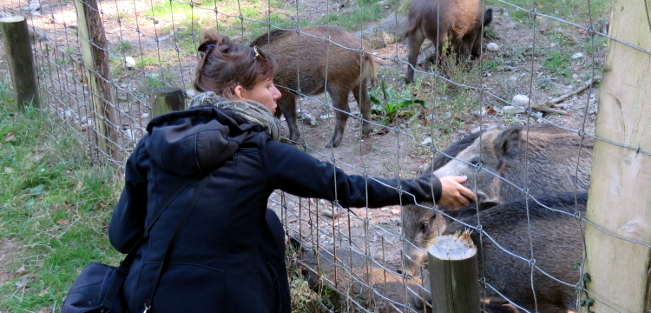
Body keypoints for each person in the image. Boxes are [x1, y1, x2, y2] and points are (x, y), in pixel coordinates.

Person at [107, 33, 476, 313]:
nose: (278, 95)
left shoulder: (152, 142)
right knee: (267, 226)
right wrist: (430, 186)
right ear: (239, 93)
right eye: (268, 86)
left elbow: (122, 236)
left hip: (146, 295)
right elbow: (346, 187)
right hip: (228, 299)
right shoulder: (258, 150)